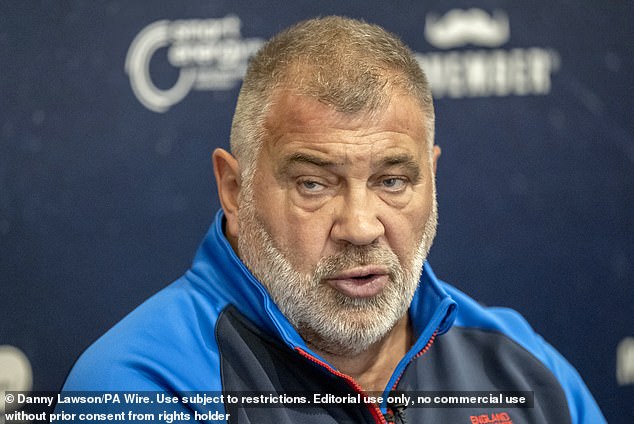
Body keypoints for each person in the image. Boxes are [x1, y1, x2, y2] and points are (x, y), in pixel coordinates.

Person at [58, 16, 605, 423]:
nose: (361, 227)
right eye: (314, 185)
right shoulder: (138, 387)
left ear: (432, 179)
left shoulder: (526, 368)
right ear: (234, 190)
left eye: (392, 181)